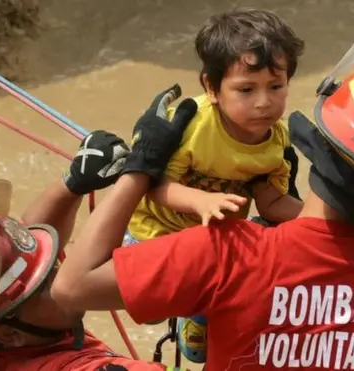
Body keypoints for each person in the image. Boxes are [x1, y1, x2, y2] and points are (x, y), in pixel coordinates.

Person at [50, 17, 354, 370]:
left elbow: (70, 289)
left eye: (274, 87)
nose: (262, 102)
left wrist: (139, 167)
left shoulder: (227, 253)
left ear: (322, 143)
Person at [0, 87, 199, 370]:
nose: (63, 271)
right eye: (46, 284)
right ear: (10, 334)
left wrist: (72, 184)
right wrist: (141, 167)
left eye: (50, 268)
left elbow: (27, 244)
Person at [123, 9, 305, 363]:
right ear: (212, 87)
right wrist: (201, 202)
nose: (264, 102)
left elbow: (271, 204)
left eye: (276, 87)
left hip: (212, 242)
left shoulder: (276, 141)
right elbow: (155, 186)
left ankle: (199, 314)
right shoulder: (192, 124)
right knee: (149, 310)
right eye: (246, 89)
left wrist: (326, 220)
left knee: (198, 349)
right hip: (155, 229)